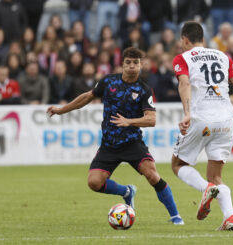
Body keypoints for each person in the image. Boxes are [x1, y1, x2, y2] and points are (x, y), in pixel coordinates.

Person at [47, 47, 184, 225]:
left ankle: (175, 217)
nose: (132, 66)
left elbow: (151, 120)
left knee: (152, 175)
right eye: (128, 63)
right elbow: (87, 97)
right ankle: (127, 192)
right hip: (109, 145)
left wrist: (129, 121)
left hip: (132, 143)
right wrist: (61, 110)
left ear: (141, 65)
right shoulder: (108, 82)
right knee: (94, 183)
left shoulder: (144, 90)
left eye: (136, 63)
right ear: (122, 64)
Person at [171, 21, 233, 230]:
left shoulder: (183, 58)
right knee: (216, 175)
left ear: (185, 40)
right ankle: (230, 217)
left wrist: (188, 113)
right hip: (226, 121)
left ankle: (206, 189)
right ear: (203, 40)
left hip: (202, 119)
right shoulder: (223, 56)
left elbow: (185, 83)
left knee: (178, 165)